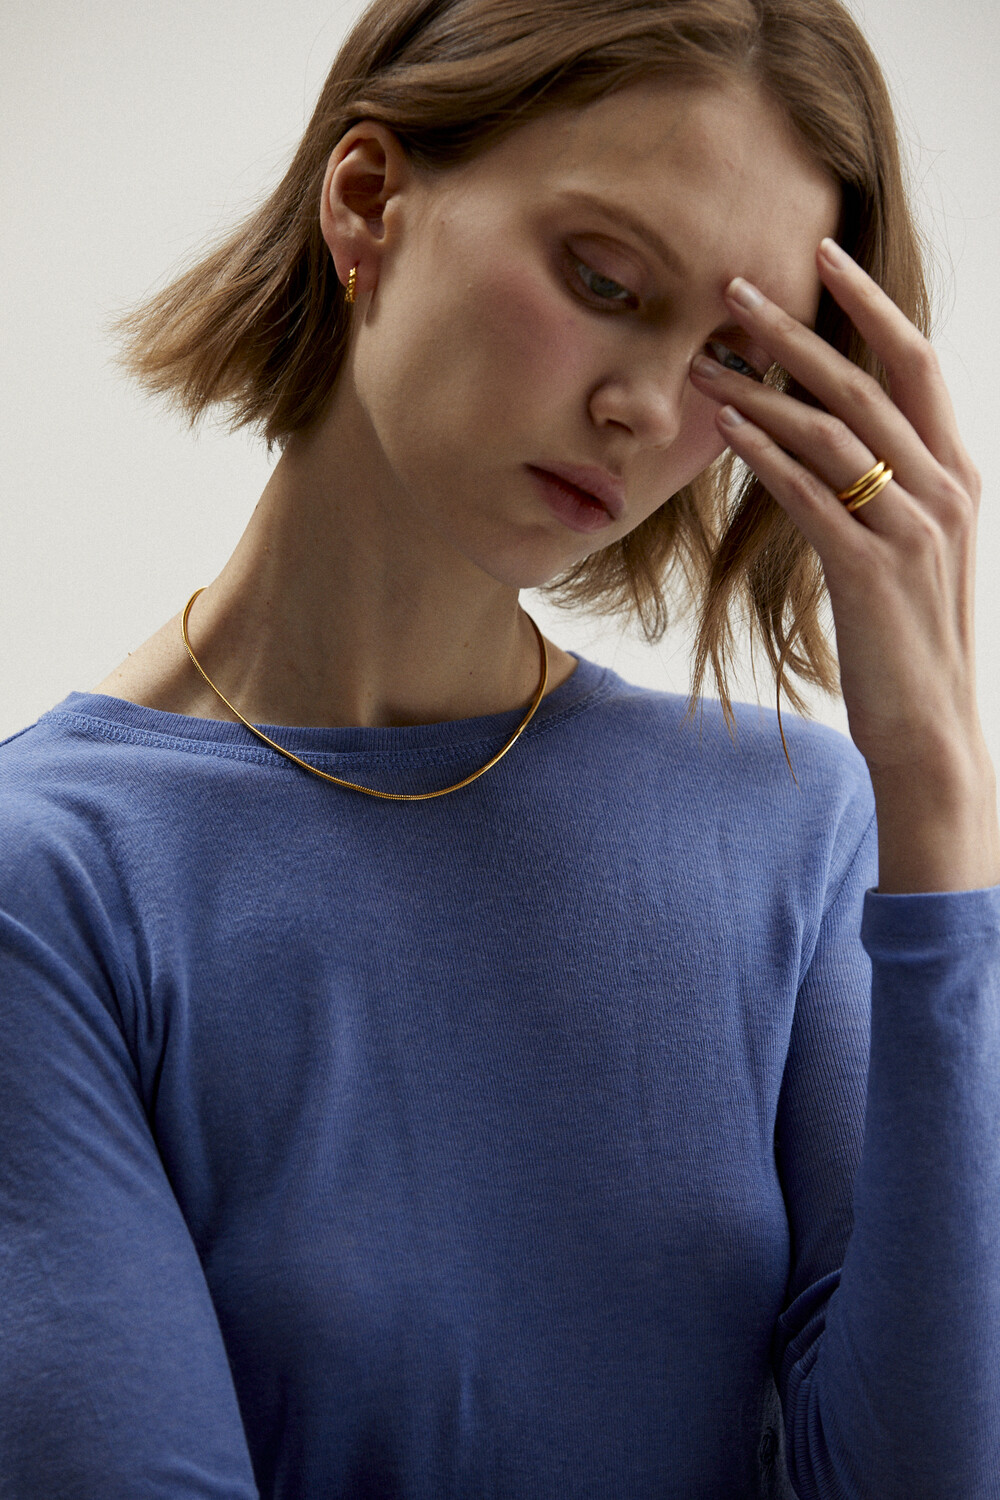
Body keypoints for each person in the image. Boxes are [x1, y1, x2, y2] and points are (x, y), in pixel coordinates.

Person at [2, 0, 998, 1495]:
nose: (644, 404)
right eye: (605, 279)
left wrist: (938, 788)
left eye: (737, 358)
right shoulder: (55, 884)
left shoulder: (803, 829)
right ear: (367, 200)